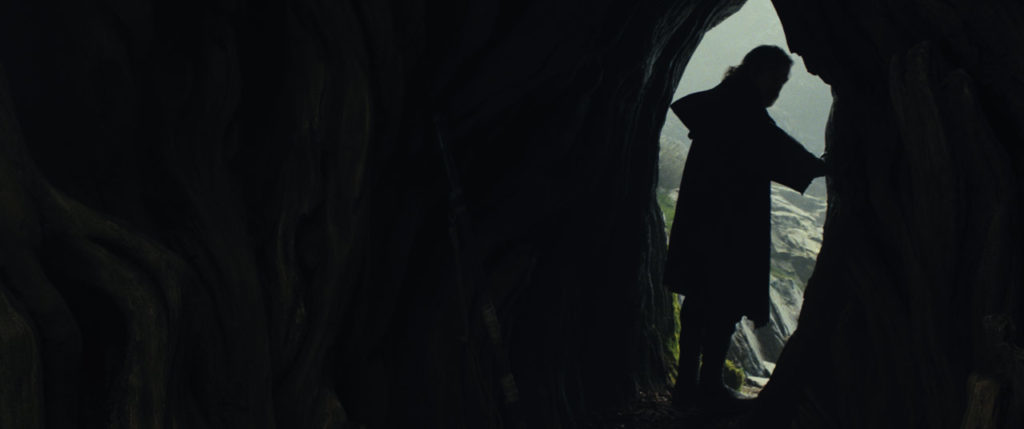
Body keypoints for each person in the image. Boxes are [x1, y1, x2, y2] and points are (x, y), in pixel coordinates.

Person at [664, 45, 826, 411]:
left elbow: (771, 147)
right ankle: (707, 388)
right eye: (776, 81)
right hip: (729, 225)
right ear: (756, 72)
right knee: (722, 300)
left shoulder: (721, 103)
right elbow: (777, 149)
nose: (777, 90)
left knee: (700, 300)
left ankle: (688, 387)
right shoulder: (742, 110)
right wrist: (820, 167)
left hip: (702, 220)